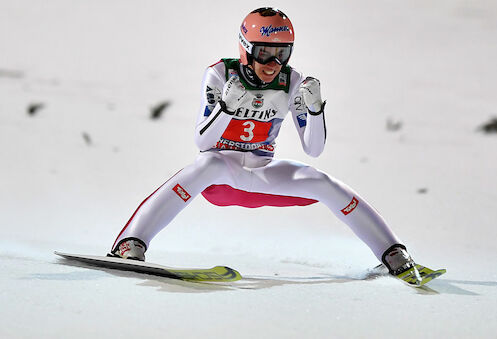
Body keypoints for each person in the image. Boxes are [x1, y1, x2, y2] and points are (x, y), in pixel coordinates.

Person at [109, 7, 419, 281]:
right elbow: (202, 141)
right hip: (222, 176)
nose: (273, 63)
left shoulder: (292, 81)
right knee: (209, 162)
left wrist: (315, 111)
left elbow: (314, 149)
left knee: (319, 179)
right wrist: (225, 108)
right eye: (264, 53)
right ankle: (131, 242)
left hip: (262, 173)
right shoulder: (221, 73)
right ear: (245, 50)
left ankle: (393, 253)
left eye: (282, 54)